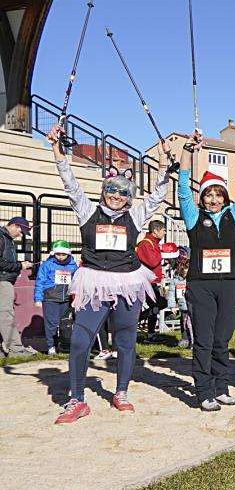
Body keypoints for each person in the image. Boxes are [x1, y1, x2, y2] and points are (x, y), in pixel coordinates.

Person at [47, 125, 173, 423]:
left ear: (129, 197)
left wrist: (166, 168)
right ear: (104, 191)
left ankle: (121, 392)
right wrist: (57, 151)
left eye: (123, 192)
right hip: (94, 281)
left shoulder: (135, 215)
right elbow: (70, 184)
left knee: (126, 341)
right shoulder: (87, 210)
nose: (116, 195)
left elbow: (157, 197)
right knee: (80, 339)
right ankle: (77, 399)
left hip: (127, 281)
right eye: (111, 190)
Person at [179, 130, 235, 412]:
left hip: (229, 285)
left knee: (222, 340)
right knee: (204, 340)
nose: (212, 199)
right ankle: (203, 391)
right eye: (208, 195)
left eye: (217, 194)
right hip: (201, 286)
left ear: (225, 197)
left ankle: (221, 386)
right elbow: (183, 187)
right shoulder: (193, 216)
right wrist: (188, 151)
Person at [34, 240, 78, 355]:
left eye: (64, 254)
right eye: (58, 254)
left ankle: (63, 345)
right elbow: (40, 282)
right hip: (50, 298)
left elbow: (77, 282)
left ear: (68, 254)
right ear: (54, 253)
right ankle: (51, 346)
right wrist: (38, 298)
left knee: (65, 323)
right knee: (51, 324)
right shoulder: (47, 265)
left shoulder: (73, 266)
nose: (61, 257)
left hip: (66, 299)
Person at [0, 216, 34, 356]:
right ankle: (15, 349)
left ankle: (7, 348)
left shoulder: (6, 239)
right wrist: (20, 265)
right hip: (2, 280)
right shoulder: (2, 238)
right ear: (14, 225)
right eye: (21, 231)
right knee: (6, 315)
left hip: (4, 279)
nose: (21, 235)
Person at [135, 219, 167, 342]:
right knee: (156, 305)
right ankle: (149, 333)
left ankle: (149, 333)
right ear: (155, 231)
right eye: (163, 230)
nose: (164, 233)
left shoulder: (154, 243)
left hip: (153, 282)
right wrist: (162, 253)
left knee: (160, 304)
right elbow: (152, 261)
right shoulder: (146, 243)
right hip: (145, 282)